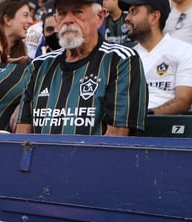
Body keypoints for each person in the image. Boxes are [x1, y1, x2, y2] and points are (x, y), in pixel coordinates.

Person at [15, 0, 148, 135]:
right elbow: (23, 137)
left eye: (78, 12)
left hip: (94, 155)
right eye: (62, 13)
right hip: (40, 156)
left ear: (100, 17)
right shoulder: (39, 66)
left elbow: (116, 138)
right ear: (55, 20)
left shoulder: (120, 60)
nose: (68, 20)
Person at [123, 0, 192, 114]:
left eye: (134, 12)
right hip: (125, 123)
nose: (127, 18)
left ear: (154, 17)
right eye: (128, 12)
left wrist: (147, 116)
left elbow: (184, 101)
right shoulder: (125, 56)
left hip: (163, 125)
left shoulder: (184, 50)